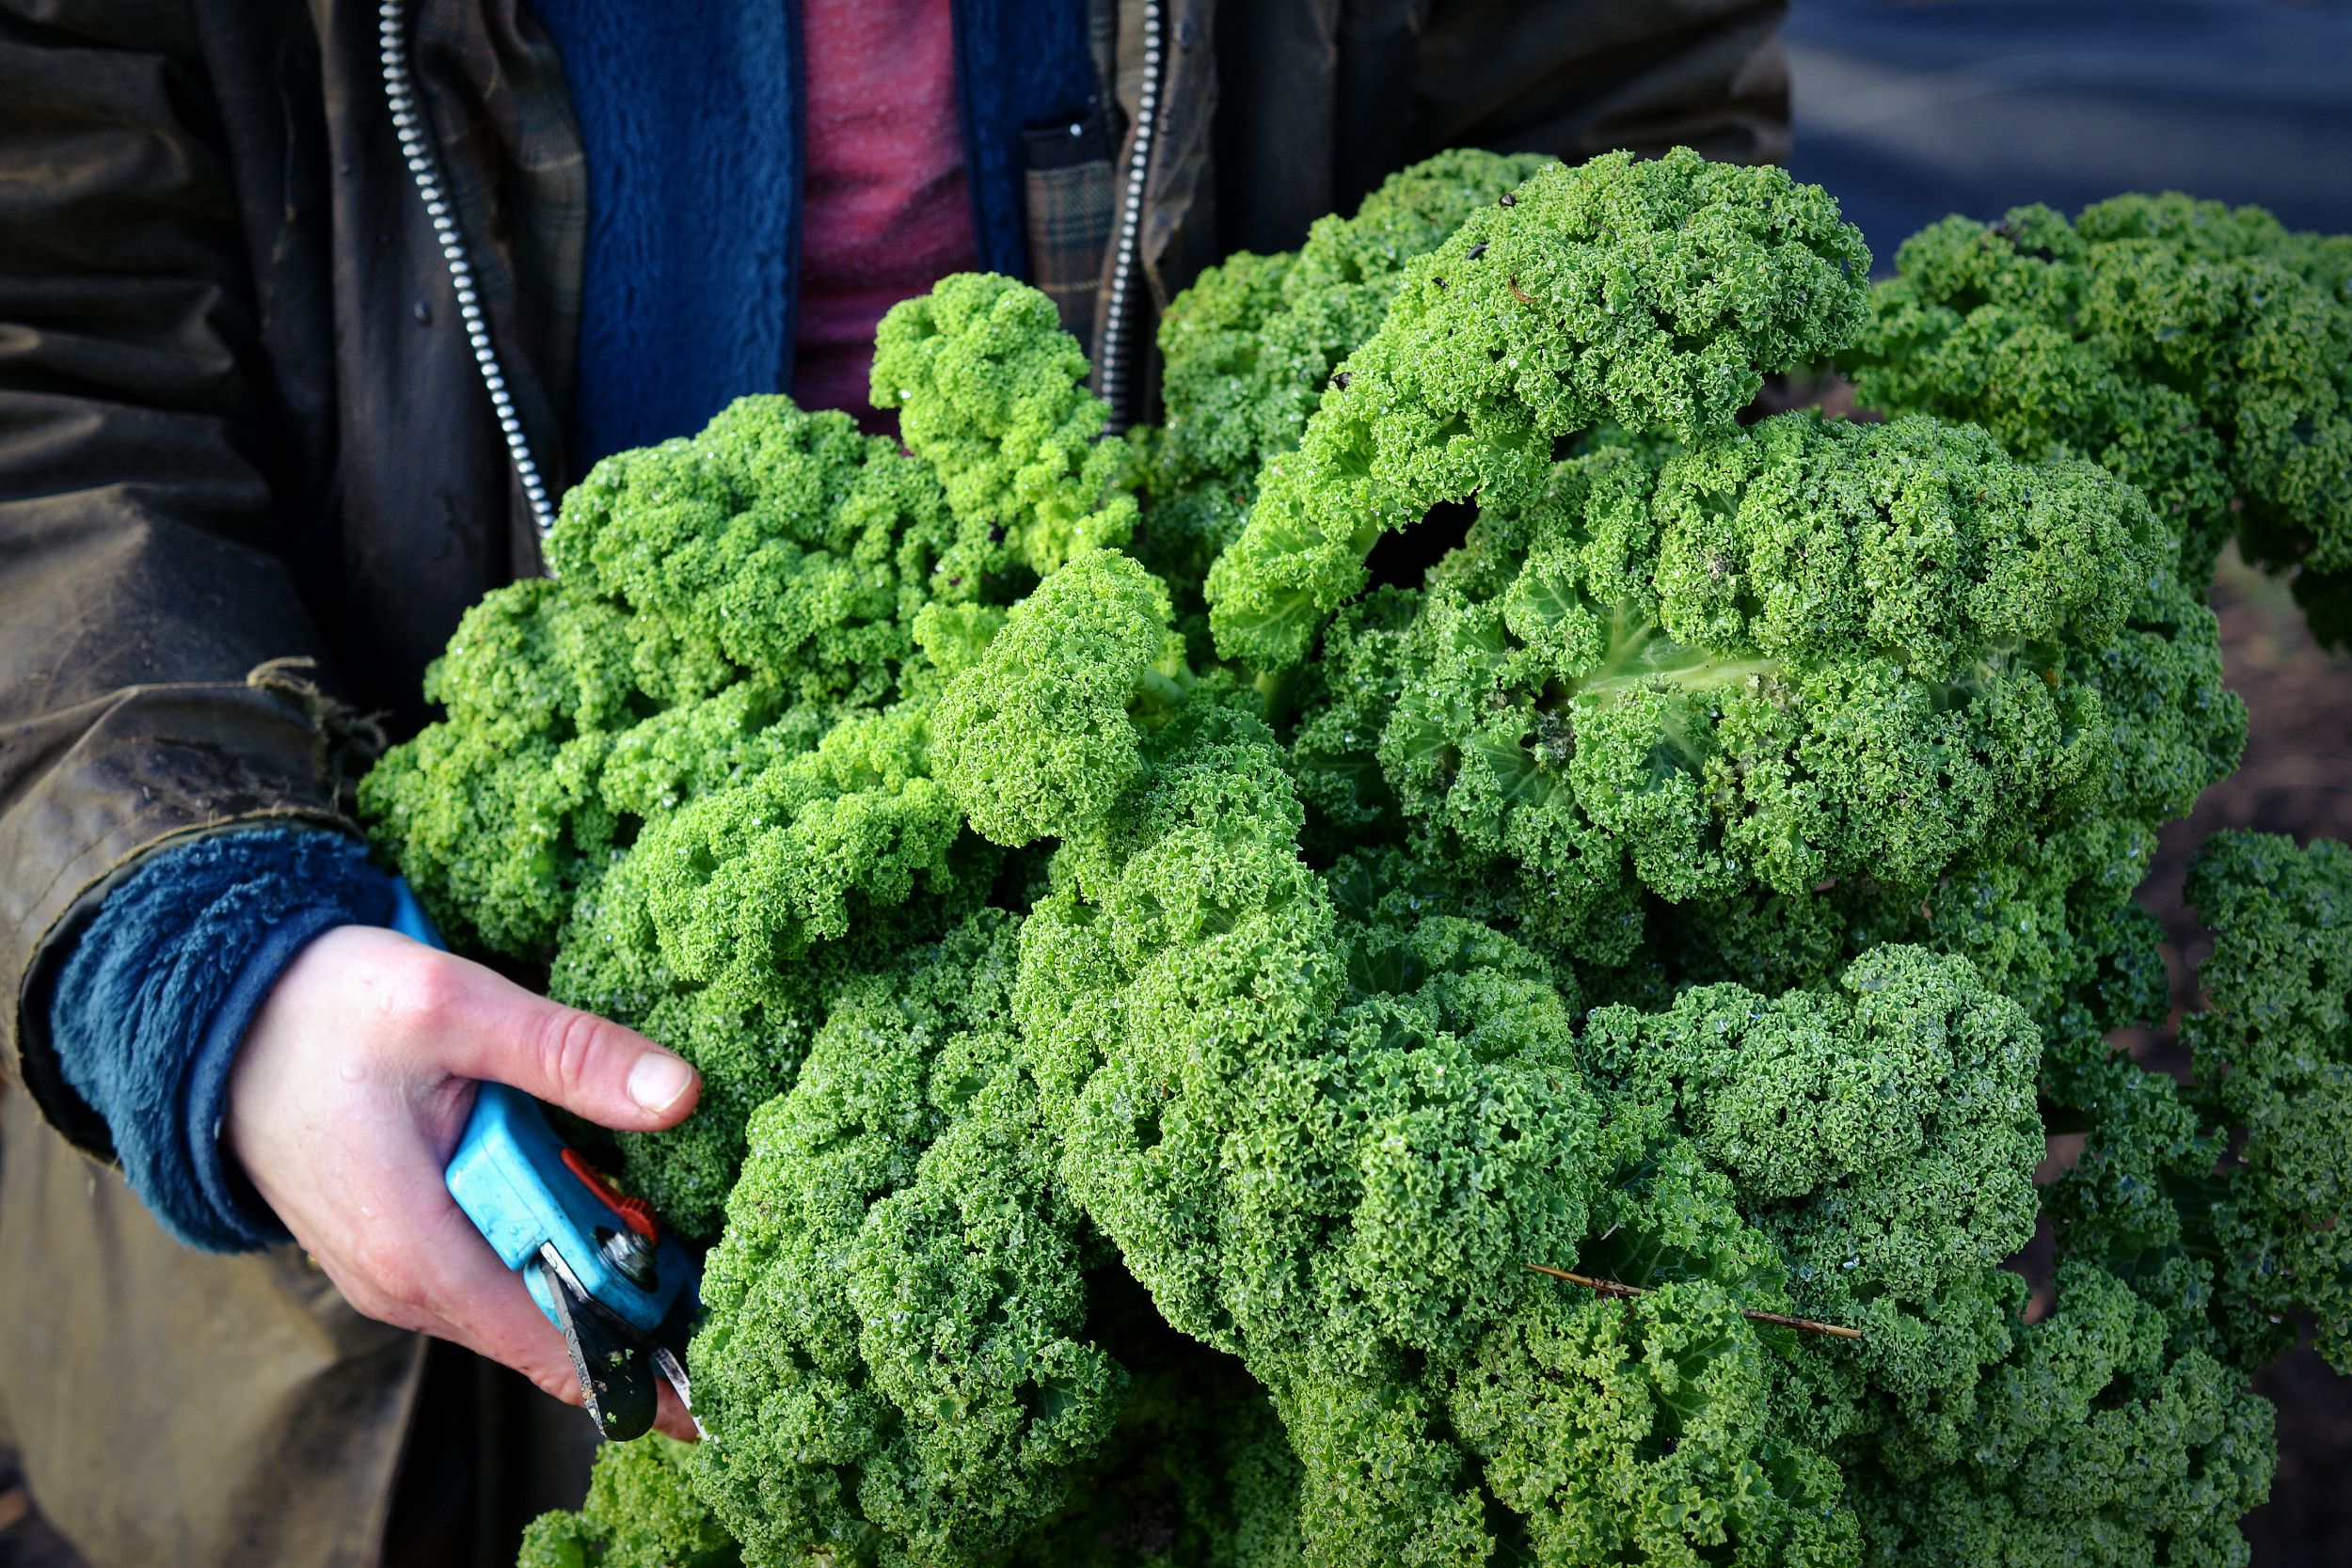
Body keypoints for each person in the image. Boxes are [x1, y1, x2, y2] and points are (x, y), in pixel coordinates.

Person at [0, 2, 1793, 1562]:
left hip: (1271, 984)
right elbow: (49, 356)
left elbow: (1615, 173)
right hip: (359, 1102)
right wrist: (207, 932)